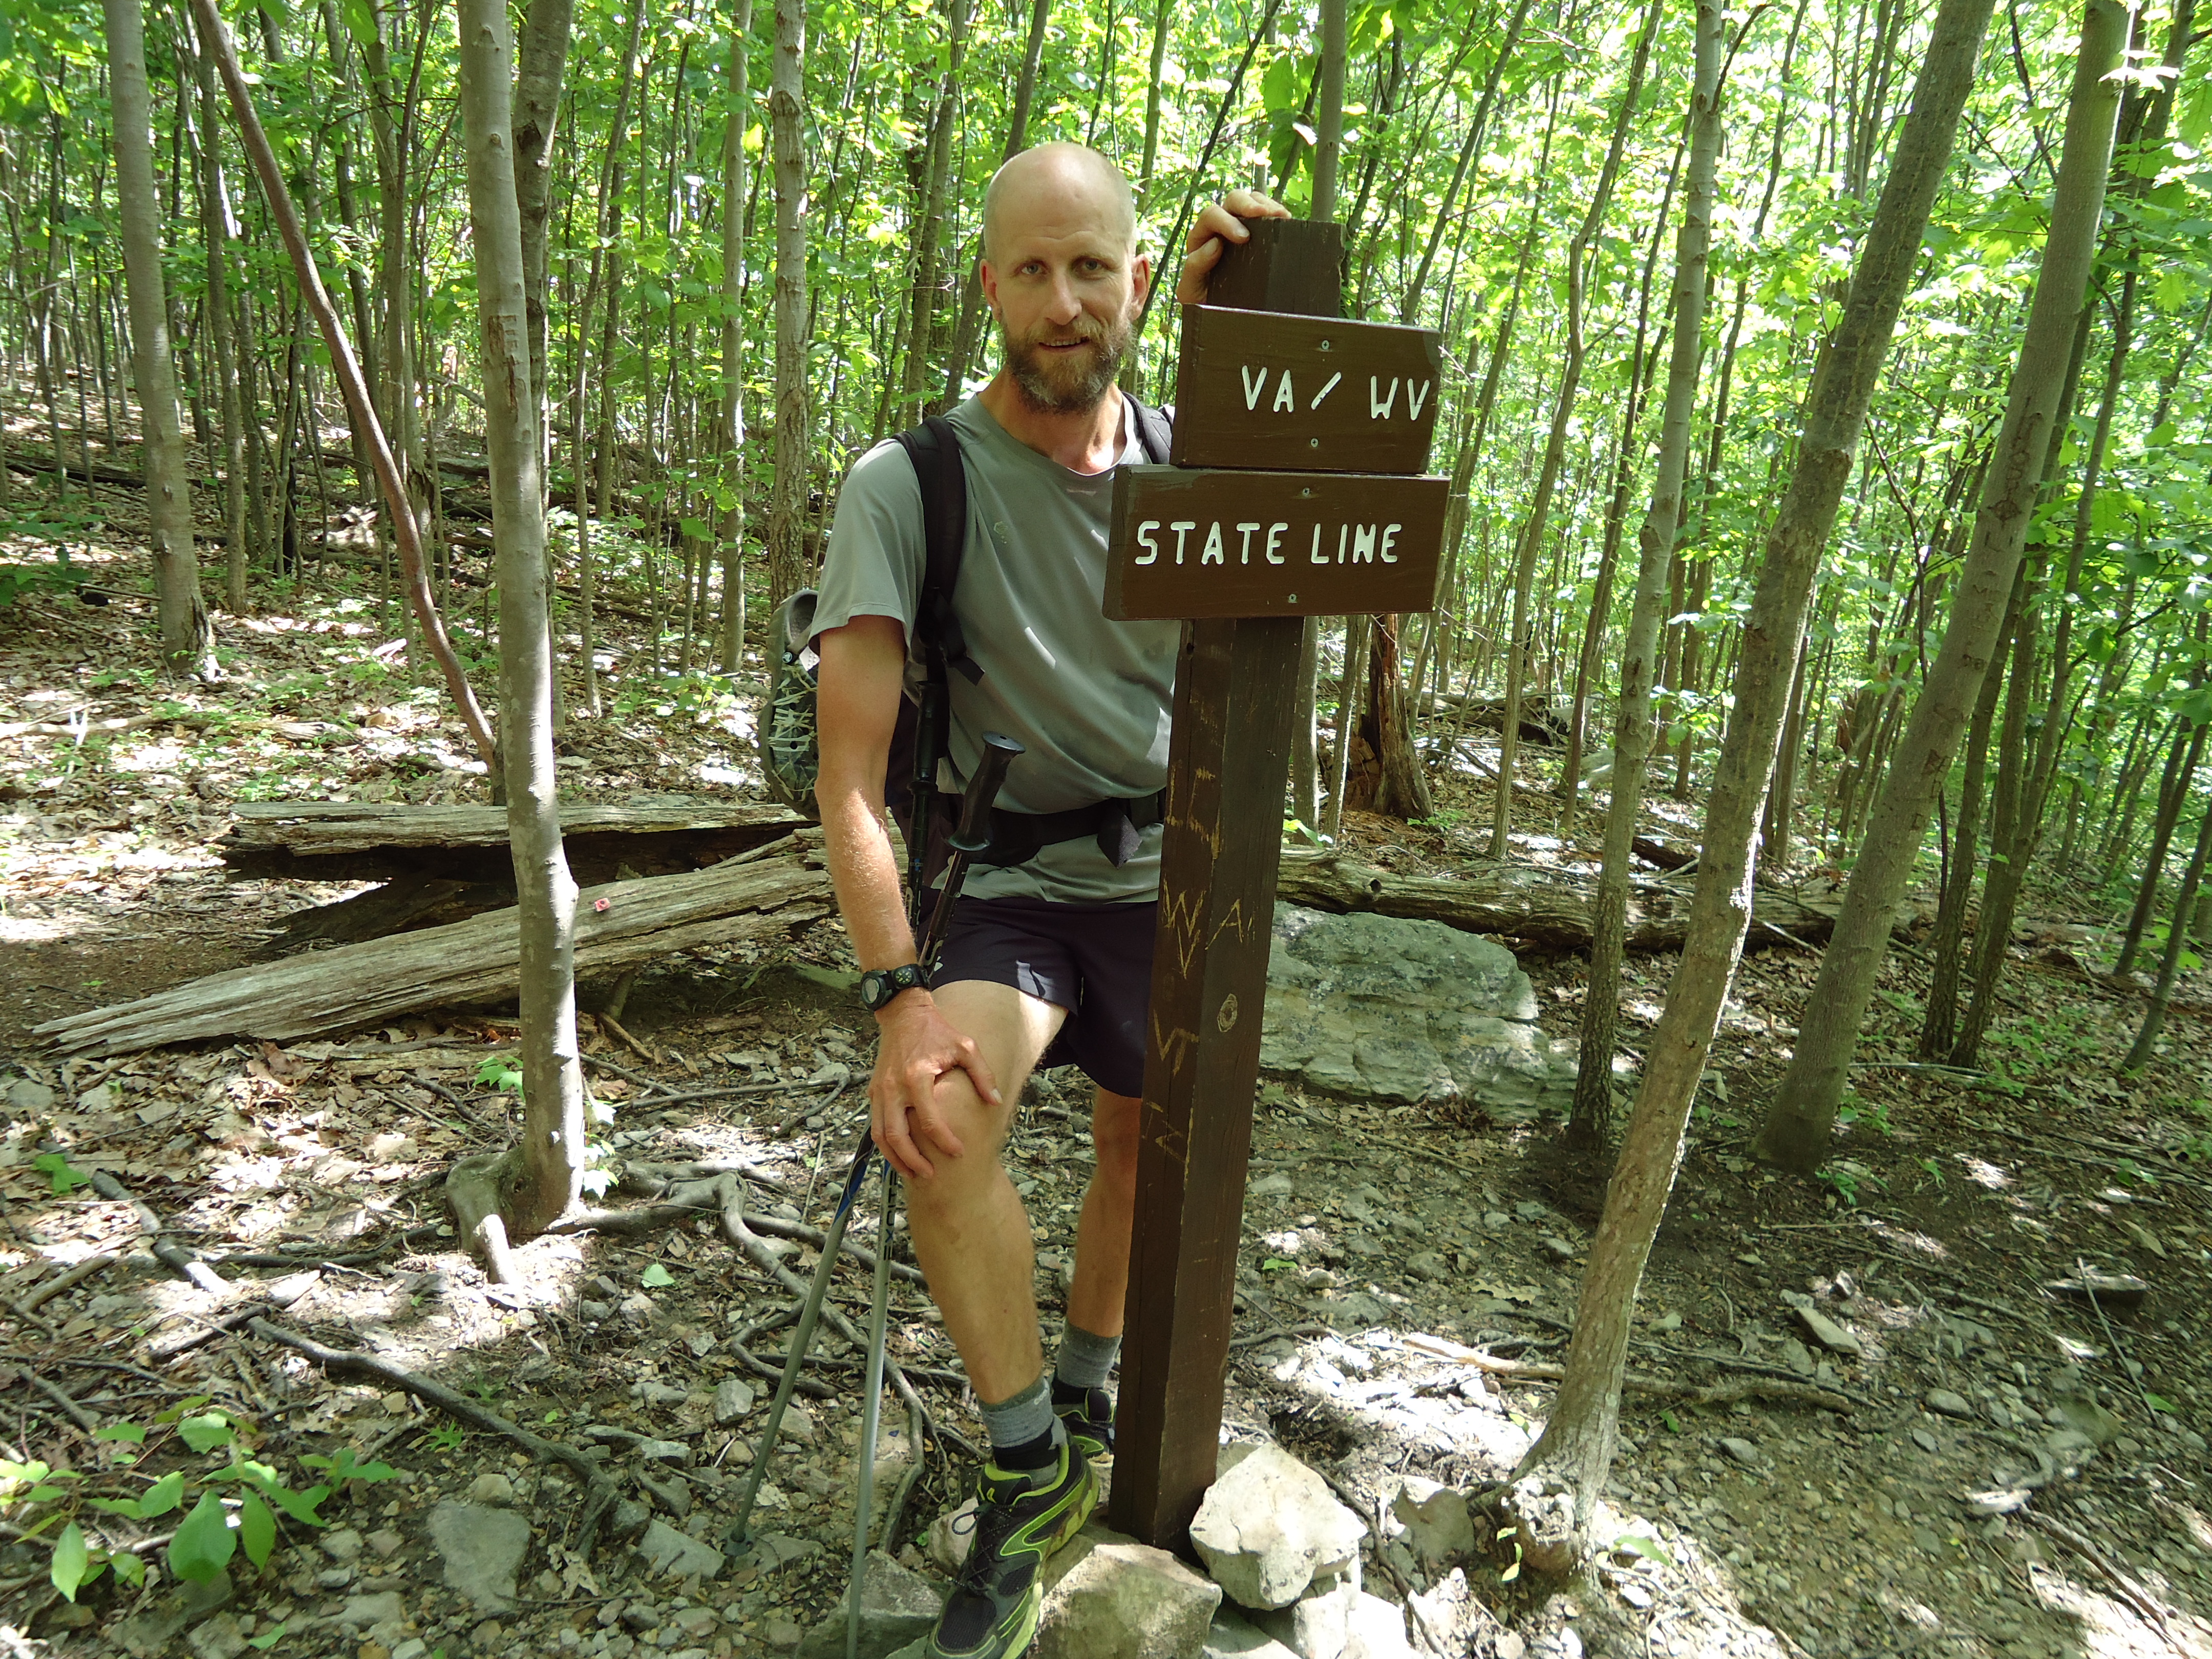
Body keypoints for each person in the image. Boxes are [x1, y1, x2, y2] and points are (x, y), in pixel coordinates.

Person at [809, 143, 1284, 1659]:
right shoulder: (911, 485)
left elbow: (1300, 456)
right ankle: (1030, 1465)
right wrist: (896, 1003)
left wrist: (1250, 297)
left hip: (1174, 877)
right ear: (990, 285)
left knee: (1148, 1145)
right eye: (1035, 269)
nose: (1067, 301)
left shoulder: (1197, 462)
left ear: (1135, 279)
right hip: (1004, 872)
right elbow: (849, 787)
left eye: (1097, 267)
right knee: (942, 1126)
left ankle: (1087, 1387)